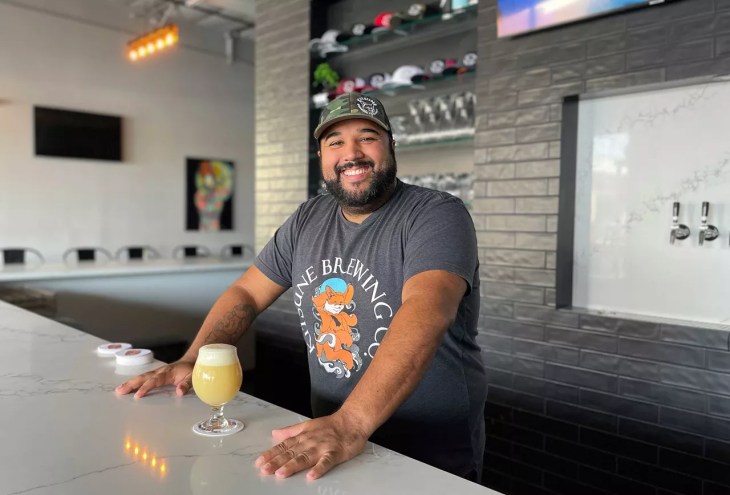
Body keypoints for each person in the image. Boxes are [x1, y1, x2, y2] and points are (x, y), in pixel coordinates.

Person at [115, 92, 487, 482]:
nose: (352, 153)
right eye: (336, 142)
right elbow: (247, 293)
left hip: (425, 450)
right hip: (329, 436)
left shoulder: (436, 214)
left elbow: (427, 310)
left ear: (391, 146)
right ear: (321, 156)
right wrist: (195, 358)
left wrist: (352, 422)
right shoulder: (308, 218)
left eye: (367, 137)